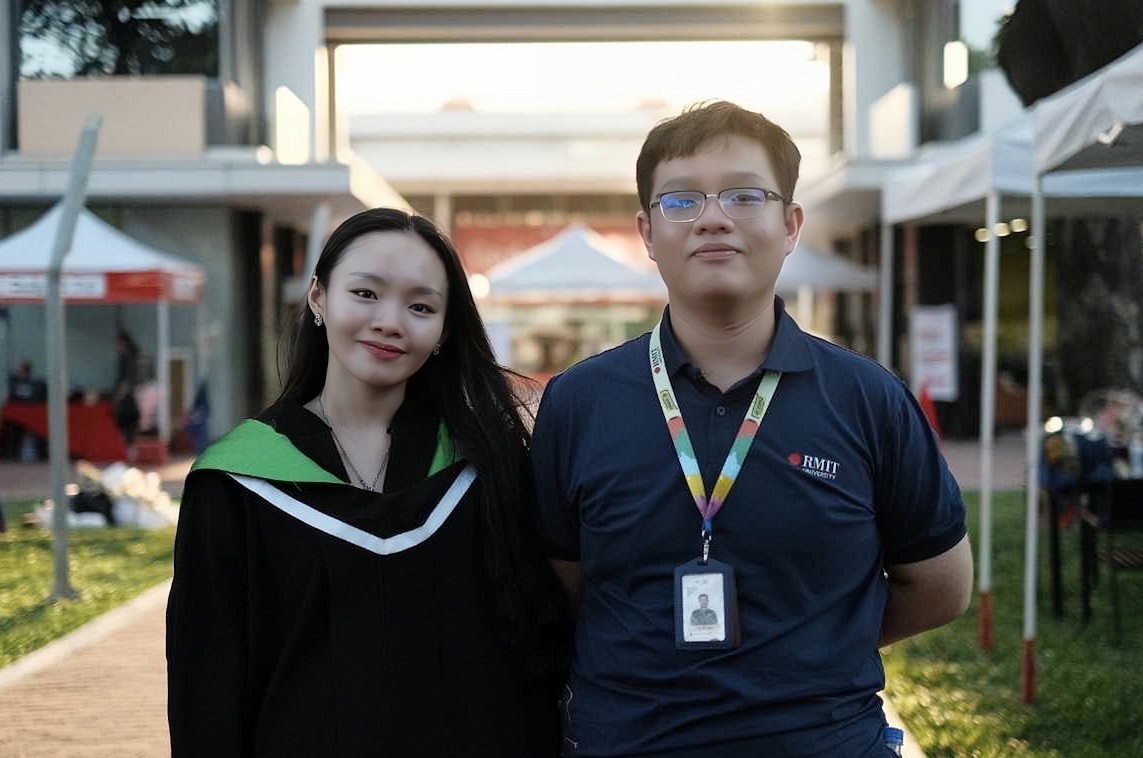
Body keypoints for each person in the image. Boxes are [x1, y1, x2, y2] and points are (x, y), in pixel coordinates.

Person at [531, 101, 974, 757]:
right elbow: (564, 589)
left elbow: (942, 587)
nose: (713, 218)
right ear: (647, 232)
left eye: (743, 195)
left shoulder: (868, 399)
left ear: (790, 224)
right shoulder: (578, 403)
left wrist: (812, 641)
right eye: (681, 200)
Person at [167, 208, 570, 757]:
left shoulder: (489, 468)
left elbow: (535, 652)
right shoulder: (235, 482)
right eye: (365, 293)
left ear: (445, 330)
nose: (389, 321)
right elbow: (206, 689)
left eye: (421, 306)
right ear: (318, 297)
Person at [112, 329, 141, 445]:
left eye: (117, 343)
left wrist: (118, 396)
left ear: (123, 343)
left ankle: (127, 446)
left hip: (127, 400)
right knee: (129, 430)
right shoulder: (132, 356)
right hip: (130, 398)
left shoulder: (127, 357)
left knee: (126, 428)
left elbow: (127, 380)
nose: (115, 346)